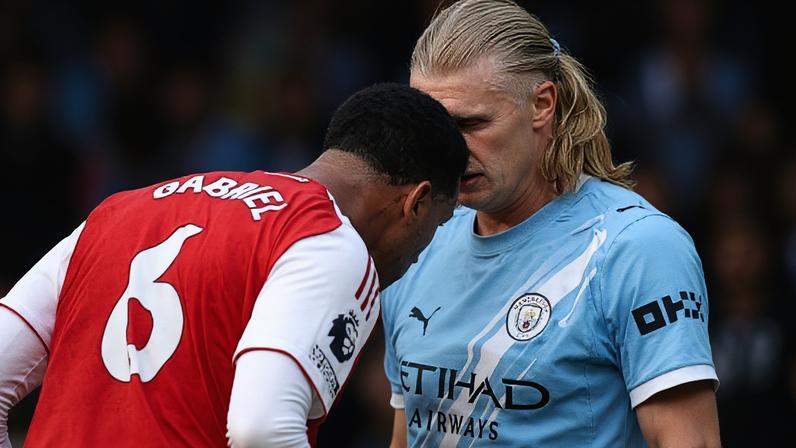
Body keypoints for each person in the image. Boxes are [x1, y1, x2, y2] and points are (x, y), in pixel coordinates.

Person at [0, 83, 468, 447]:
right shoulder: (327, 240)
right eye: (438, 226)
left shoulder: (120, 211)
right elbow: (261, 430)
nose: (418, 256)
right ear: (417, 202)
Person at [381, 1, 721, 446]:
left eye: (472, 123)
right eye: (433, 126)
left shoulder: (636, 247)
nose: (448, 149)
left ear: (542, 104)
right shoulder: (420, 239)